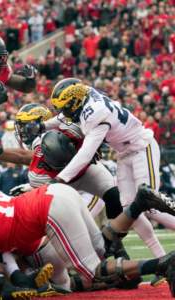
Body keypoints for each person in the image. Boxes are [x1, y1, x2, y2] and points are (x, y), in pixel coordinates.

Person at [0, 174, 175, 300]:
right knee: (102, 247)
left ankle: (163, 263)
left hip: (48, 212)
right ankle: (139, 203)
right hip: (56, 193)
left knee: (93, 271)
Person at [35, 78, 175, 285]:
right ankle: (163, 261)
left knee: (150, 205)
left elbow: (85, 153)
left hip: (141, 146)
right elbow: (67, 118)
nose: (63, 112)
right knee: (130, 208)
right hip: (124, 152)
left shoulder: (96, 113)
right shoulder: (84, 95)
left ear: (75, 101)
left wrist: (60, 179)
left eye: (66, 107)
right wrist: (43, 125)